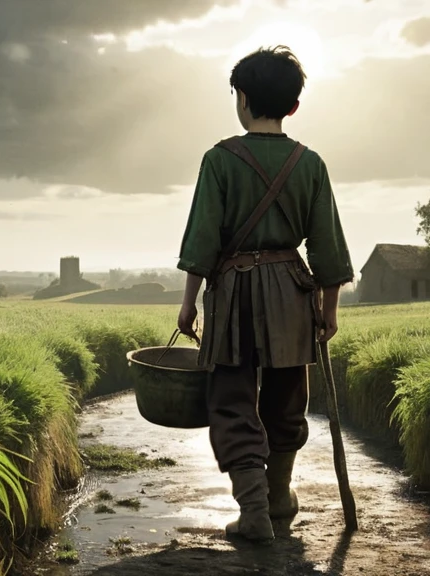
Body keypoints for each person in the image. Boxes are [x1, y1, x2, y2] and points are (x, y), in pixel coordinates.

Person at [175, 45, 354, 543]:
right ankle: (278, 499)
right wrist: (329, 310)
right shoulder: (310, 163)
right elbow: (328, 246)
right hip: (292, 293)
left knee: (231, 397)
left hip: (233, 290)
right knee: (287, 396)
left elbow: (202, 240)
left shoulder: (219, 159)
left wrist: (189, 303)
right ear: (293, 106)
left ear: (243, 99)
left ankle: (253, 511)